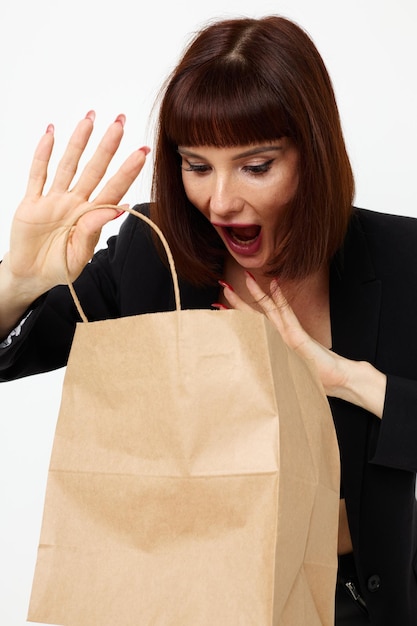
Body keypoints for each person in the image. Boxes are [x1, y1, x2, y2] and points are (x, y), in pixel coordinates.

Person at [0, 15, 416, 625]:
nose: (220, 201)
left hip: (354, 602)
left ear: (313, 155)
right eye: (198, 167)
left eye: (255, 166)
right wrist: (16, 281)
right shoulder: (152, 256)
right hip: (185, 598)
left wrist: (348, 380)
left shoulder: (402, 259)